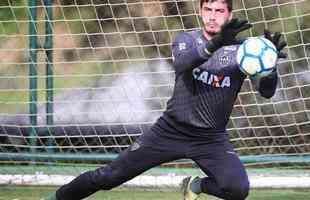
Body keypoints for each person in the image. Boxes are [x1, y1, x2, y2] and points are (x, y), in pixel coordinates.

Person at [45, 0, 287, 200]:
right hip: (170, 131)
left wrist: (270, 68)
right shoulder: (187, 40)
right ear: (200, 11)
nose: (213, 16)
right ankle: (56, 198)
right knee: (108, 177)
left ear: (229, 14)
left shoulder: (244, 52)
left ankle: (196, 186)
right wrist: (216, 44)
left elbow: (266, 92)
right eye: (208, 10)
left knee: (237, 190)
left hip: (210, 138)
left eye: (220, 11)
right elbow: (183, 63)